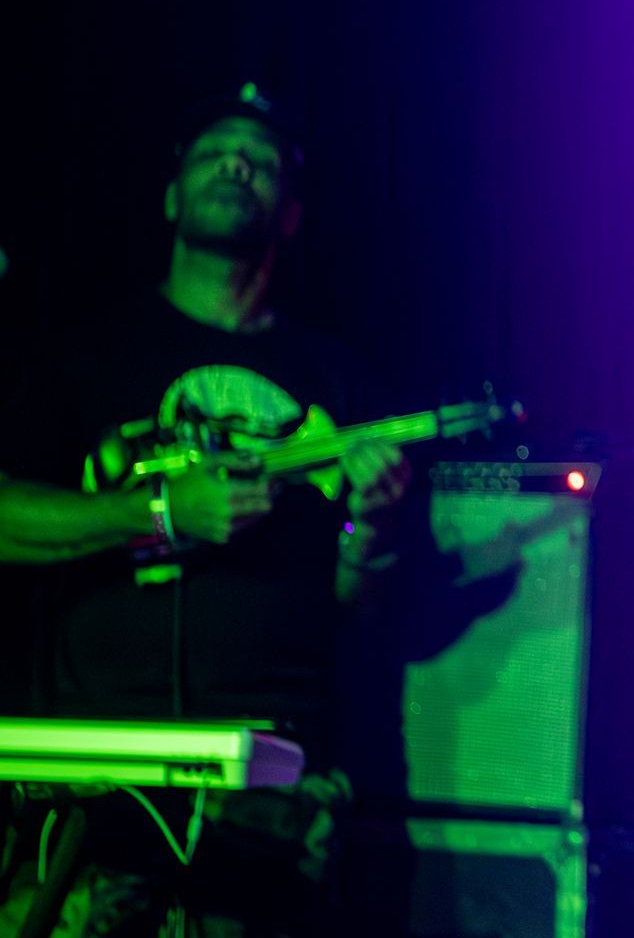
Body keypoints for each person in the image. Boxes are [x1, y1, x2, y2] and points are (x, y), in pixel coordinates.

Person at [0, 83, 411, 934]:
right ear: (171, 194)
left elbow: (358, 615)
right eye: (215, 150)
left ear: (292, 214)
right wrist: (160, 514)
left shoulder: (337, 381)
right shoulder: (78, 357)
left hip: (270, 791)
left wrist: (367, 531)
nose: (237, 163)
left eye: (262, 161)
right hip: (89, 785)